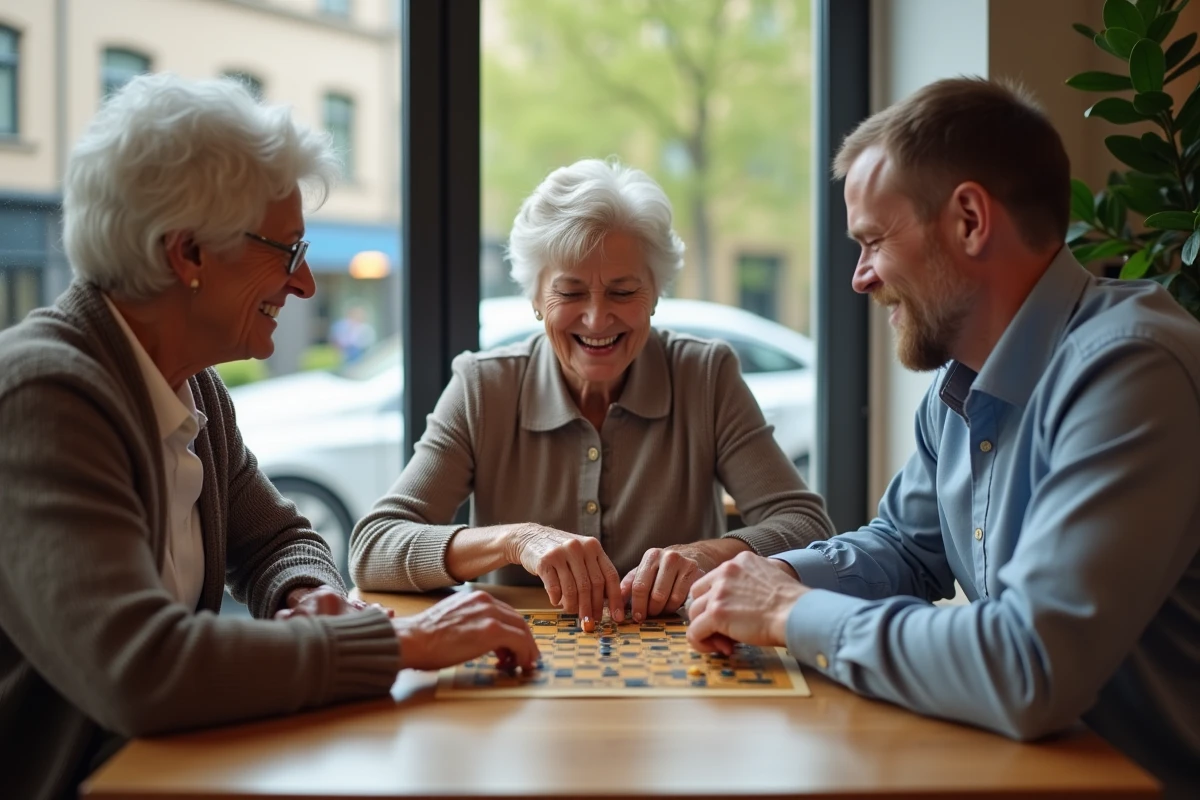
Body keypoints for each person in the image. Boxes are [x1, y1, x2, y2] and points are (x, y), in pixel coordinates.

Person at [0, 73, 537, 800]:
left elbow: (279, 540)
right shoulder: (43, 393)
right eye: (287, 252)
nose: (307, 284)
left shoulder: (193, 389)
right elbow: (142, 667)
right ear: (185, 253)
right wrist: (399, 642)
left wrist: (307, 594)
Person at [683, 77, 1200, 794]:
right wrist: (771, 578)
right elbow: (905, 545)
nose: (860, 278)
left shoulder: (1131, 369)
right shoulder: (959, 385)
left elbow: (1029, 666)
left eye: (871, 240)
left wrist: (786, 611)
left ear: (968, 220)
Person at [352, 158, 835, 628]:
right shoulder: (484, 387)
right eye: (571, 292)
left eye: (623, 292)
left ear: (655, 294)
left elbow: (807, 528)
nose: (597, 318)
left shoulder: (704, 376)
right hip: (518, 663)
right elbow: (374, 547)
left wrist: (703, 555)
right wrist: (518, 540)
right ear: (536, 298)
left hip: (683, 670)